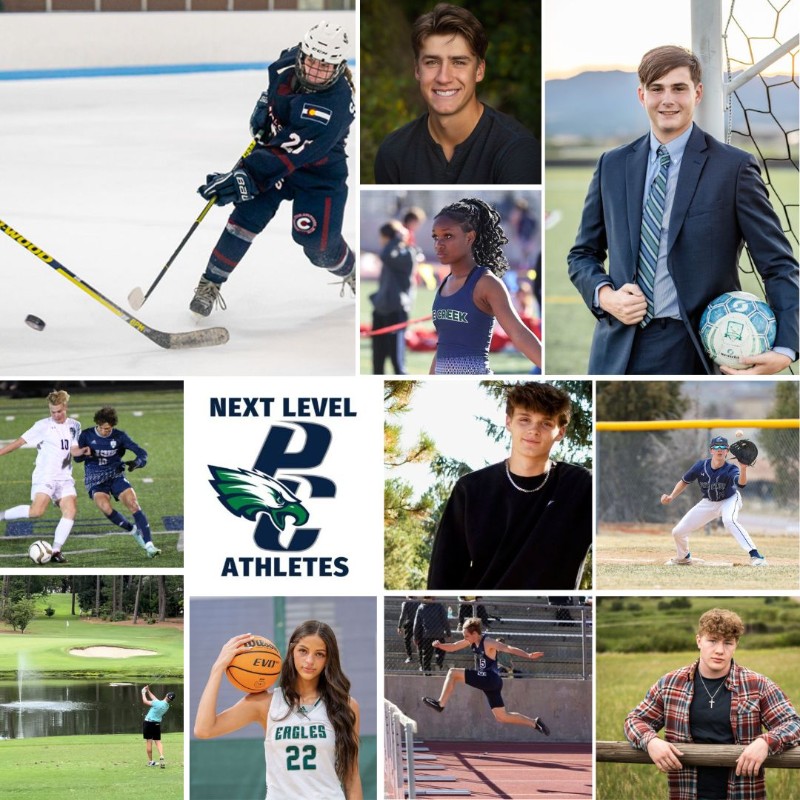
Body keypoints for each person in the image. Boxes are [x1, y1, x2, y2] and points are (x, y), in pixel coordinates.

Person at [568, 45, 799, 375]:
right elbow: (582, 254)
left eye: (679, 88)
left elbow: (777, 263)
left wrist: (786, 348)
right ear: (641, 94)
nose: (667, 100)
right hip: (616, 351)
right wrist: (605, 295)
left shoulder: (733, 168)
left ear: (698, 93)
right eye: (656, 89)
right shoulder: (612, 165)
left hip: (693, 350)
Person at [189, 22, 356, 317]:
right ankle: (209, 283)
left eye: (326, 66)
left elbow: (286, 154)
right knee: (245, 216)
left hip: (318, 174)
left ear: (339, 66)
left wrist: (247, 176)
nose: (316, 70)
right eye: (312, 61)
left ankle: (351, 268)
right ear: (303, 53)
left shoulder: (333, 106)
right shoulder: (288, 62)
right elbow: (274, 91)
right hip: (277, 156)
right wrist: (266, 106)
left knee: (317, 247)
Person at [427, 382, 591, 589]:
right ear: (508, 422)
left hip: (555, 612)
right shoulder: (471, 489)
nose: (534, 430)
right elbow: (445, 568)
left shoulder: (581, 486)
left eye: (546, 423)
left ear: (560, 432)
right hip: (485, 608)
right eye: (524, 420)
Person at [624, 608, 800, 800]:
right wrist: (651, 741)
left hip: (743, 793)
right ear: (699, 640)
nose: (719, 650)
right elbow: (635, 720)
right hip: (686, 793)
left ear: (736, 645)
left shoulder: (757, 684)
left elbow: (793, 723)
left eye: (728, 643)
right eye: (712, 640)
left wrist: (765, 742)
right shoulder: (670, 684)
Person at [374, 3, 541, 184]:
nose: (444, 77)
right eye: (432, 62)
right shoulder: (393, 152)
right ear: (417, 70)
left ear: (479, 71)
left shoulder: (517, 150)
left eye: (459, 62)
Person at [195, 621, 362, 800]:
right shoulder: (265, 703)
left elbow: (351, 776)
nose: (309, 661)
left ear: (329, 659)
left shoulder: (345, 706)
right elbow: (204, 729)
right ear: (292, 651)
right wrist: (218, 668)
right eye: (303, 651)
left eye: (319, 654)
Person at [429, 197, 541, 374]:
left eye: (448, 236)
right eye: (435, 236)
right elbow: (443, 345)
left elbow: (518, 334)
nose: (438, 244)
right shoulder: (445, 282)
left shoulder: (486, 283)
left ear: (470, 237)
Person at [421, 617, 550, 734]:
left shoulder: (488, 642)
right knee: (502, 716)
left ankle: (440, 704)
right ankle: (534, 723)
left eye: (466, 636)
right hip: (491, 682)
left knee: (453, 672)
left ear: (475, 634)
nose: (465, 638)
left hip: (490, 678)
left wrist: (528, 655)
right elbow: (454, 646)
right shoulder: (471, 641)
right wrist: (439, 645)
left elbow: (508, 648)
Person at [660, 435, 767, 567]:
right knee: (678, 532)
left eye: (723, 447)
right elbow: (684, 482)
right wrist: (671, 496)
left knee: (729, 520)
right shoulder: (700, 466)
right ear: (711, 450)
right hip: (709, 502)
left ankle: (756, 556)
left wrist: (743, 468)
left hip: (730, 499)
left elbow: (741, 483)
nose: (719, 449)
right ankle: (683, 558)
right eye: (716, 447)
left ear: (727, 451)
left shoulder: (731, 469)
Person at [0, 389, 80, 563]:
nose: (56, 415)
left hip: (65, 477)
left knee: (71, 510)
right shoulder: (42, 425)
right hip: (45, 476)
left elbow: (74, 449)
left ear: (65, 407)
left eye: (59, 411)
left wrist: (87, 452)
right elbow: (19, 442)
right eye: (53, 412)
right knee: (36, 512)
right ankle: (1, 515)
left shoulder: (75, 425)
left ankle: (56, 551)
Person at [71, 406, 161, 559]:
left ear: (112, 426)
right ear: (97, 424)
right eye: (102, 428)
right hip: (95, 479)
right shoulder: (86, 435)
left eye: (108, 429)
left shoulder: (120, 437)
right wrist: (85, 453)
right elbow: (77, 458)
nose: (104, 431)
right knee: (105, 507)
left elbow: (142, 453)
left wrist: (138, 462)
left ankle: (149, 545)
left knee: (133, 503)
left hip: (116, 475)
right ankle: (133, 531)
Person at [370, 221, 416, 375]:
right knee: (378, 362)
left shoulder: (406, 254)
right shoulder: (392, 252)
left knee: (398, 363)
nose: (380, 241)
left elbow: (386, 256)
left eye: (381, 237)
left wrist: (397, 238)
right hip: (380, 310)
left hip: (395, 312)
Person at [413, 597, 451, 674]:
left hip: (427, 635)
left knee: (426, 655)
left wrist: (415, 637)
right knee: (441, 650)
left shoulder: (421, 608)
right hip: (439, 634)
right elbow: (445, 620)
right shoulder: (439, 606)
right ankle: (438, 663)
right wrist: (448, 633)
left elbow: (416, 624)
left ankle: (427, 673)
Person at [141, 685, 176, 768]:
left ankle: (150, 762)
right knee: (158, 741)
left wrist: (143, 693)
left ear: (166, 695)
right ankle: (161, 756)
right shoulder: (166, 706)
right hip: (156, 724)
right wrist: (148, 691)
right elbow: (155, 699)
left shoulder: (158, 703)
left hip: (148, 723)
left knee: (149, 741)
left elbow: (145, 701)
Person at [397, 596, 422, 664]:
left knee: (407, 639)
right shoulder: (419, 602)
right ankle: (420, 659)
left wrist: (399, 626)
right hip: (419, 624)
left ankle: (410, 657)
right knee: (418, 641)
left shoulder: (406, 603)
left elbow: (403, 615)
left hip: (410, 623)